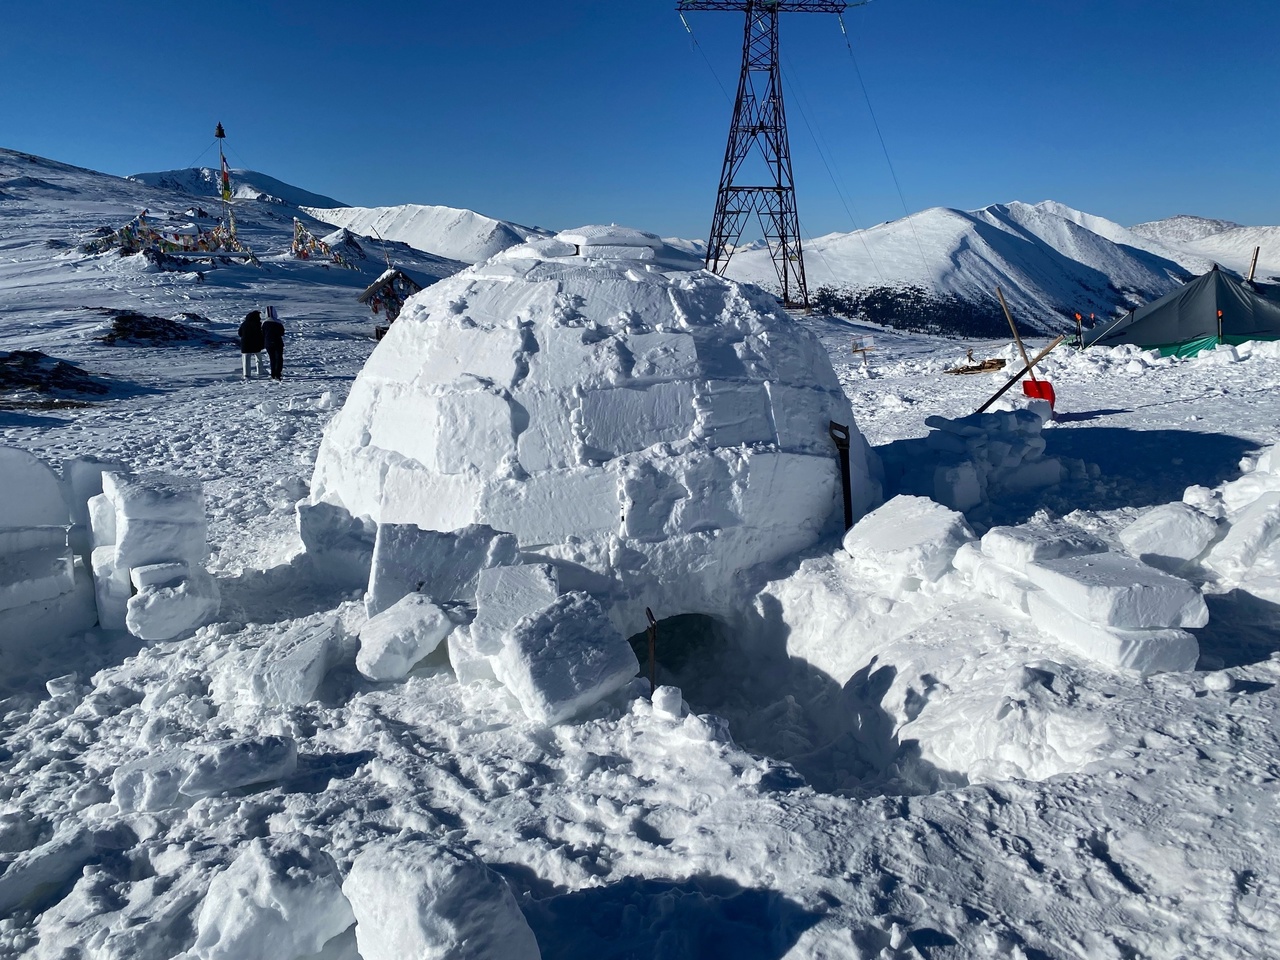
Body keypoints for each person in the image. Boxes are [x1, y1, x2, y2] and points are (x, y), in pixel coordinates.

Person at [237, 310, 266, 378]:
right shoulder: (257, 324)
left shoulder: (244, 324)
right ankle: (260, 371)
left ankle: (246, 373)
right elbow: (260, 334)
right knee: (258, 358)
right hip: (256, 343)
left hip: (245, 344)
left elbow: (240, 333)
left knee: (246, 360)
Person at [261, 306, 285, 381]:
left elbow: (262, 333)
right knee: (279, 358)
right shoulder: (278, 322)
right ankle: (278, 373)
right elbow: (282, 333)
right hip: (278, 342)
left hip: (268, 343)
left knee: (272, 358)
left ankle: (273, 373)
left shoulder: (264, 323)